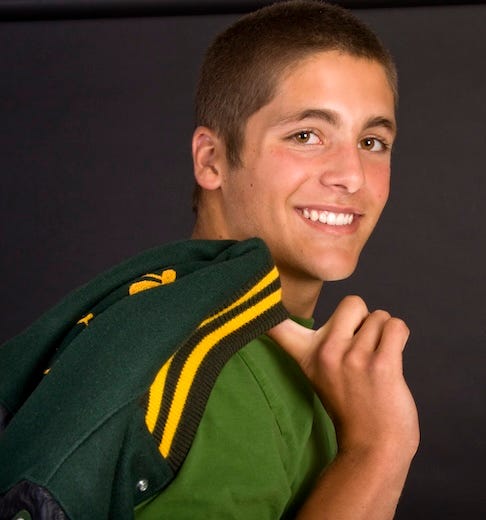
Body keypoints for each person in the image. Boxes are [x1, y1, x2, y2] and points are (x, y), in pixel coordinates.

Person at [0, 1, 419, 518]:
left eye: (372, 141)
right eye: (306, 136)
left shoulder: (166, 311)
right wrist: (378, 450)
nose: (351, 175)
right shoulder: (222, 380)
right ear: (211, 159)